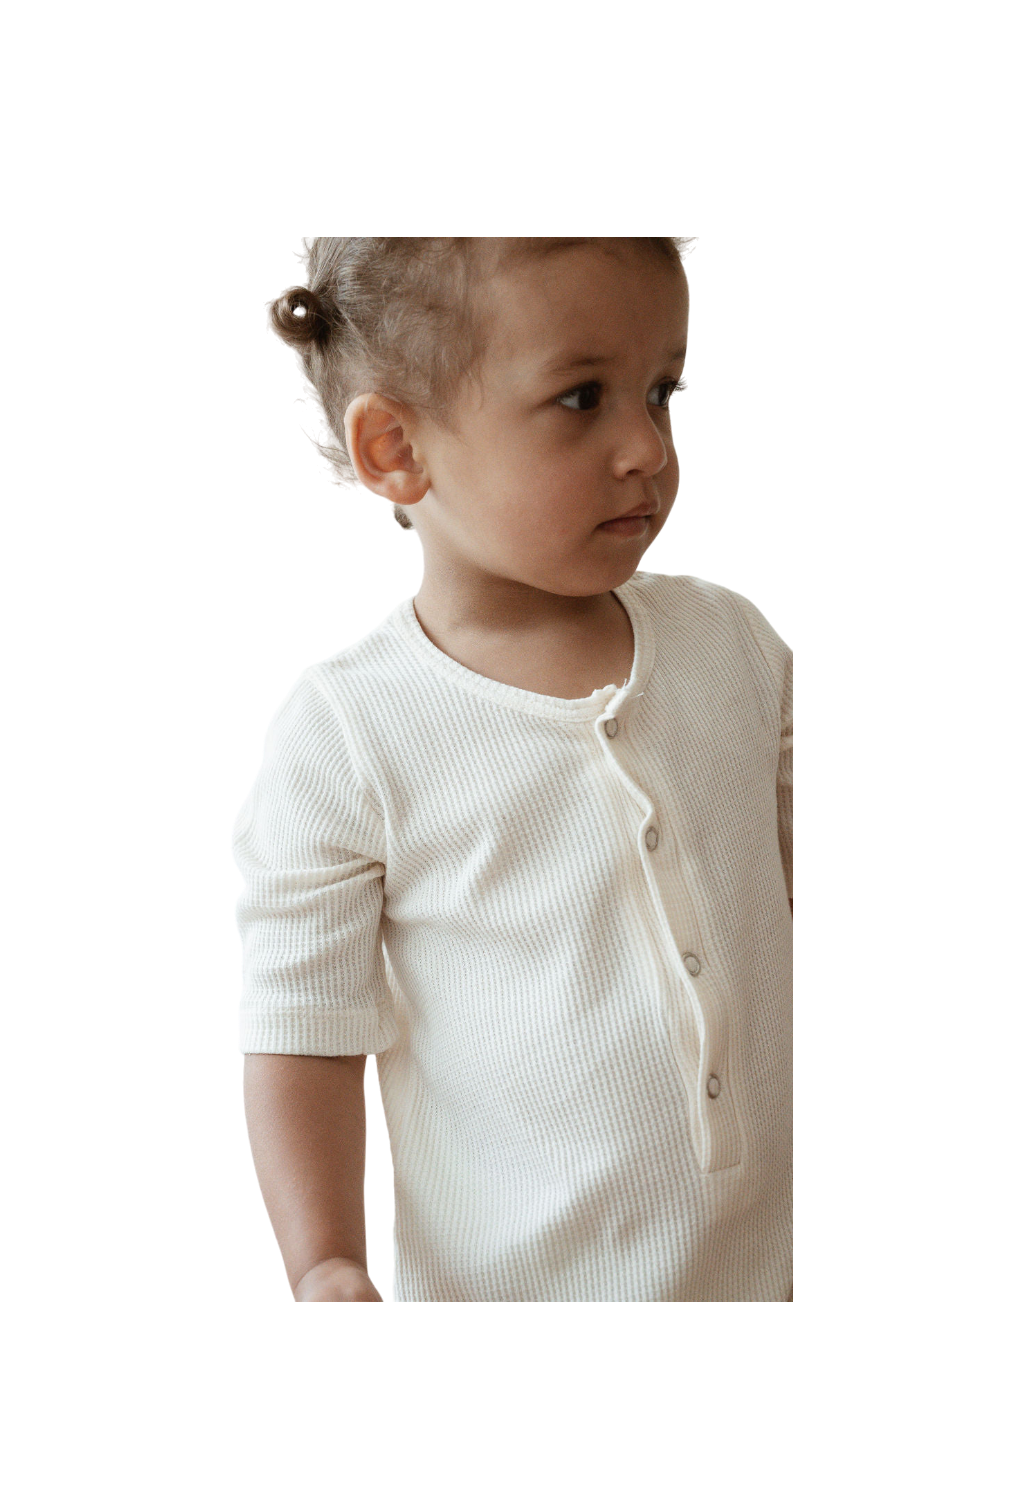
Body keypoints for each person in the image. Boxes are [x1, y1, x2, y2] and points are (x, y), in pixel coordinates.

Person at [236, 237, 793, 1302]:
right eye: (581, 398)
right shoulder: (350, 731)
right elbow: (302, 1037)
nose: (644, 446)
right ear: (396, 447)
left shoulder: (733, 641)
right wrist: (325, 1262)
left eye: (662, 390)